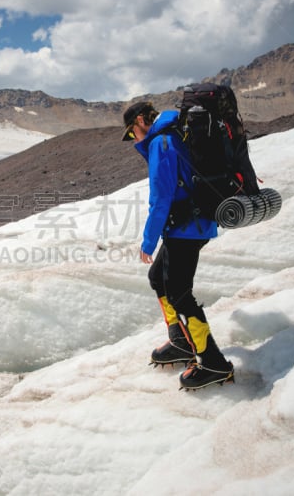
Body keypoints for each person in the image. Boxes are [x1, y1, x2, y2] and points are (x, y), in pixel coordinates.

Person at [121, 101, 234, 389]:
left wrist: (148, 241)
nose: (134, 139)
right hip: (190, 224)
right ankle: (182, 341)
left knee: (180, 294)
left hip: (187, 227)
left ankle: (213, 362)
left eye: (132, 133)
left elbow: (161, 198)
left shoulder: (162, 143)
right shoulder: (175, 134)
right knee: (158, 278)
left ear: (141, 122)